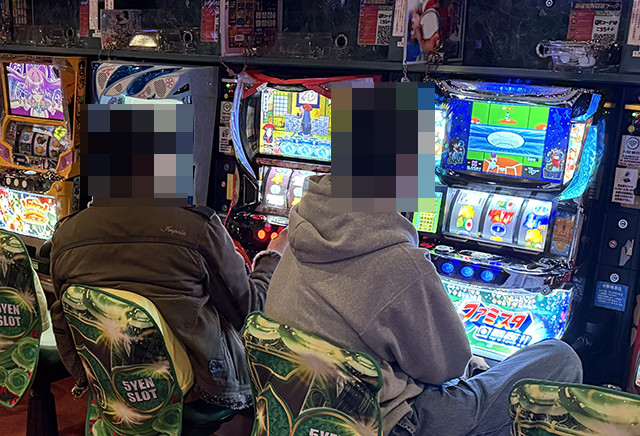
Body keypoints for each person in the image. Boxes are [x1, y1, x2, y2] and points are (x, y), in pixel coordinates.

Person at [264, 174, 583, 436]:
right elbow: (447, 368)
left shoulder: (301, 229)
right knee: (560, 359)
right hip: (389, 423)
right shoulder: (398, 261)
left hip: (298, 409)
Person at [49, 204, 288, 410]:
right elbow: (249, 313)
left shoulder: (66, 233)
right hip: (191, 388)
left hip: (106, 376)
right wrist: (272, 256)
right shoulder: (198, 228)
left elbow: (66, 307)